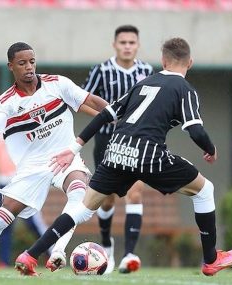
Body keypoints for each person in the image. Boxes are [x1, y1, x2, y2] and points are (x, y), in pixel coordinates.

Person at [15, 37, 232, 277]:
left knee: (82, 210)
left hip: (115, 151)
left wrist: (74, 148)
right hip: (148, 155)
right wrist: (210, 148)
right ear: (190, 63)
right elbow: (195, 129)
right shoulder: (185, 89)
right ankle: (211, 259)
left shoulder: (144, 82)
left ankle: (30, 255)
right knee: (205, 189)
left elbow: (105, 115)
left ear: (163, 61)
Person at [0, 42, 108, 276]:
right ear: (11, 66)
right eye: (22, 63)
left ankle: (58, 251)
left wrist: (115, 114)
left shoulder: (57, 83)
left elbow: (90, 101)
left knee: (78, 191)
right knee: (4, 214)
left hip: (64, 156)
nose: (28, 67)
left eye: (31, 61)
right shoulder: (6, 102)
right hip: (32, 167)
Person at [82, 24, 154, 274]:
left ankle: (130, 254)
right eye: (123, 42)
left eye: (131, 42)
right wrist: (106, 117)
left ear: (138, 45)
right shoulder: (101, 71)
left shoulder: (147, 71)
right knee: (107, 198)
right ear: (115, 45)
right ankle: (107, 248)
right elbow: (83, 100)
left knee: (136, 192)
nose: (127, 46)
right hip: (106, 141)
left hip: (136, 142)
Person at [0, 135, 49, 267]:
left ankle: (51, 254)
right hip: (4, 183)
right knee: (2, 224)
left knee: (33, 223)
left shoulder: (23, 122)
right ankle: (3, 261)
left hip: (23, 180)